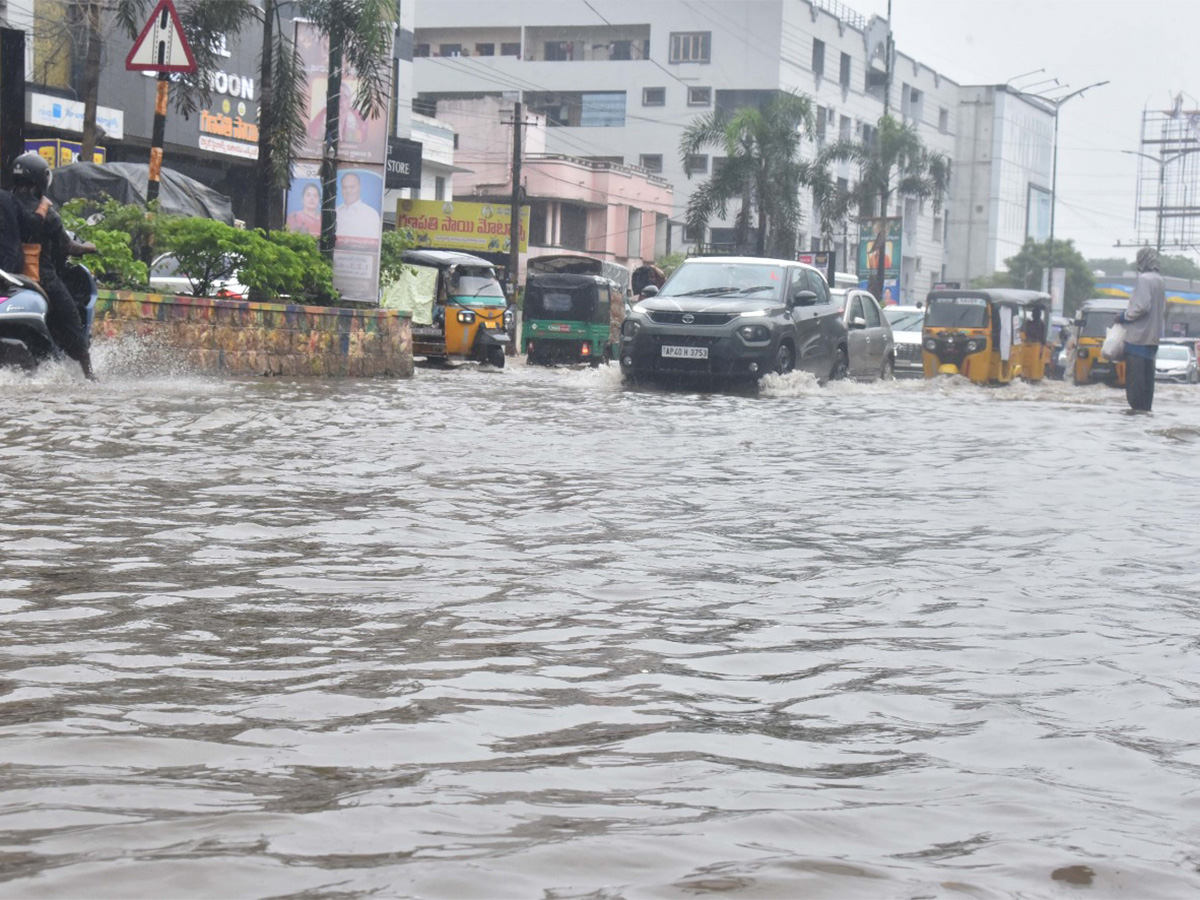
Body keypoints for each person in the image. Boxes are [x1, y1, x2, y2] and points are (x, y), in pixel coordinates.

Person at [9, 152, 97, 380]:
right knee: (71, 321)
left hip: (8, 271)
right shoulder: (46, 211)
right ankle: (89, 375)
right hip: (40, 277)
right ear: (41, 180)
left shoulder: (7, 205)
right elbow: (67, 246)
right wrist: (88, 247)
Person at [1117, 246, 1166, 412]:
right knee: (1146, 390)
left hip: (1138, 340)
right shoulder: (1160, 280)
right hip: (1152, 341)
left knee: (1135, 390)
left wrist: (1124, 316)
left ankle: (1135, 425)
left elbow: (1142, 306)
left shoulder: (1144, 279)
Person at [334, 172, 381, 240]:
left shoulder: (371, 214)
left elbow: (373, 241)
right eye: (345, 187)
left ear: (359, 187)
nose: (348, 190)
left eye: (352, 187)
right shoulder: (335, 211)